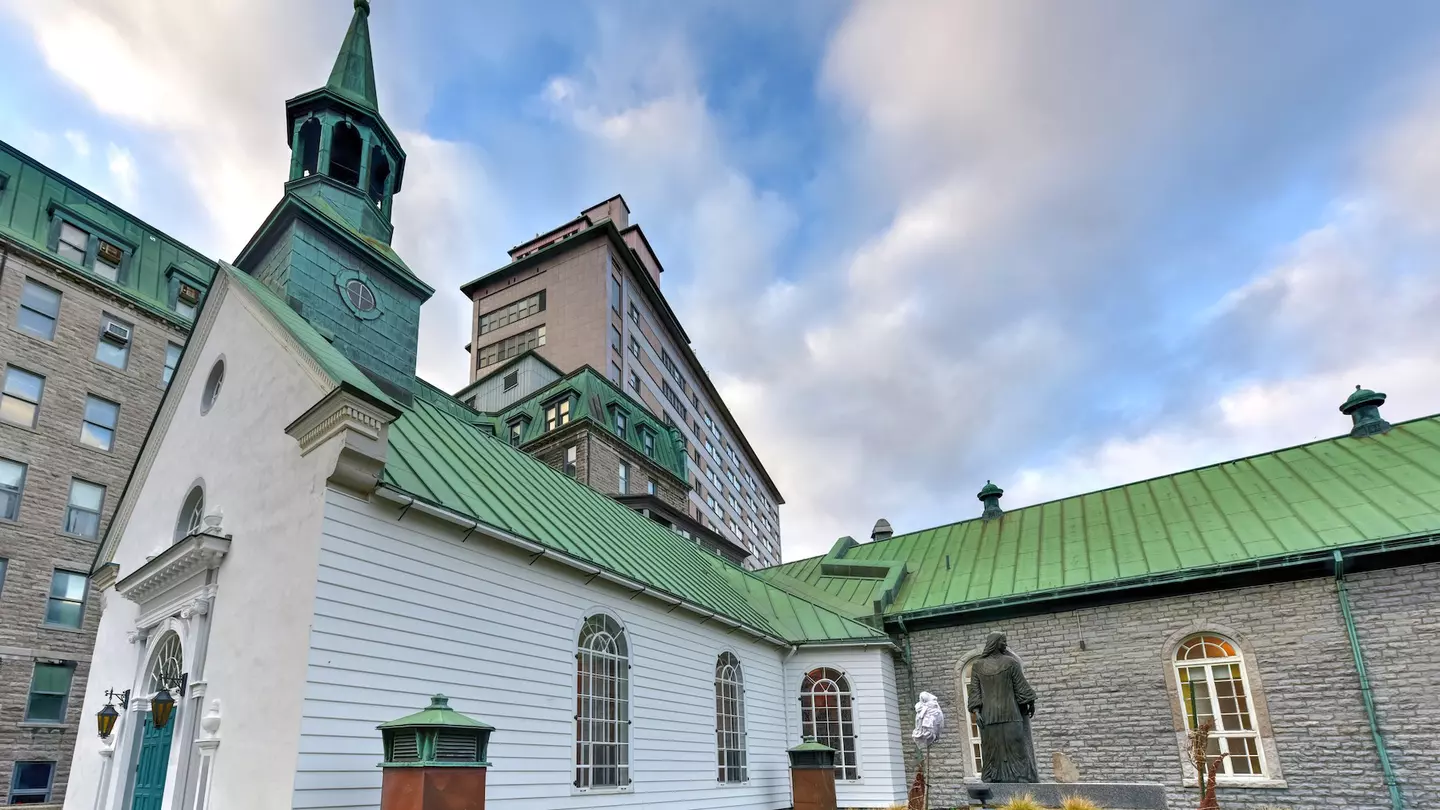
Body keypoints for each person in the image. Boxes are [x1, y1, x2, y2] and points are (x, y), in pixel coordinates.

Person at [967, 632, 1039, 783]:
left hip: (1009, 713)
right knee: (991, 749)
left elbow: (1020, 685)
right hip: (992, 715)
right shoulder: (979, 666)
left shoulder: (1010, 662)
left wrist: (1030, 702)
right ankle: (993, 777)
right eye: (1003, 641)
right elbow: (975, 690)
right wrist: (976, 711)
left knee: (1016, 745)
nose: (1005, 644)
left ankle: (1021, 778)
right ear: (995, 643)